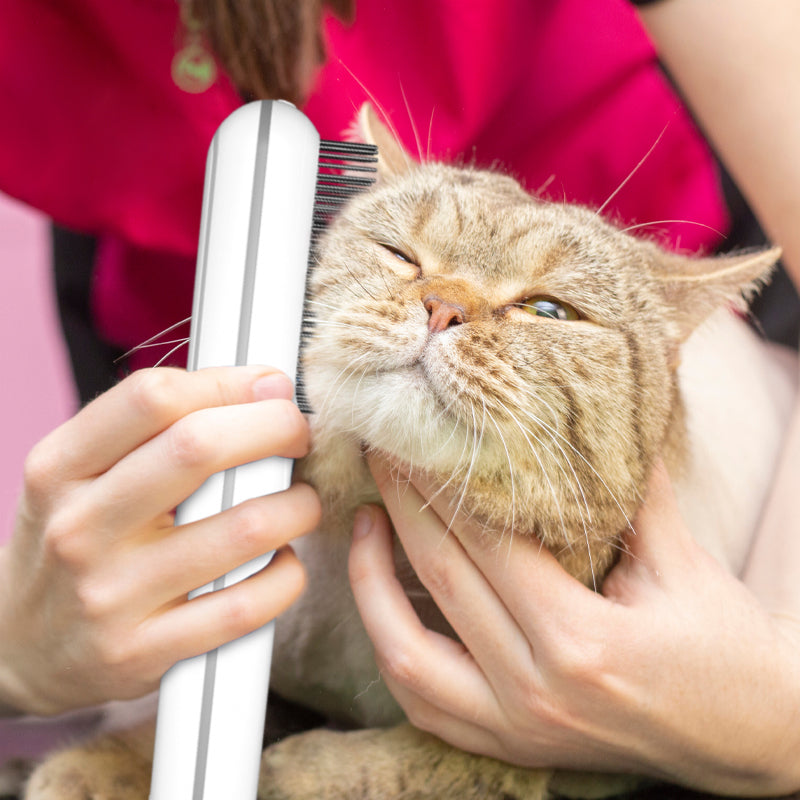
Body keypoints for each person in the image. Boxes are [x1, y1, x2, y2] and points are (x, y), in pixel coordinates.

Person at [0, 0, 798, 796]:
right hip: (227, 342)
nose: (444, 308)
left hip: (680, 288)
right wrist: (16, 663)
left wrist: (776, 721)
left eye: (543, 308)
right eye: (402, 260)